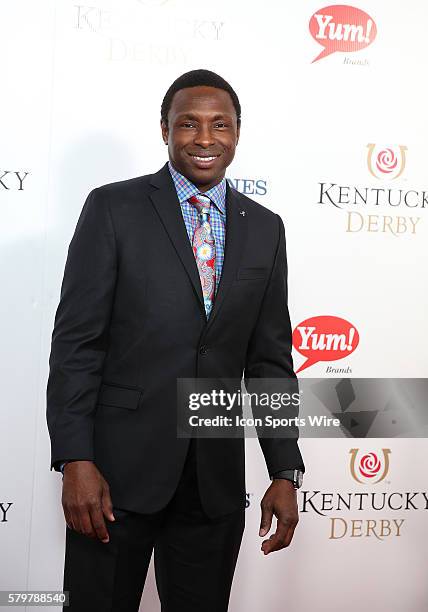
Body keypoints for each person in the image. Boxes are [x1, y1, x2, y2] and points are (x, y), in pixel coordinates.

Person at [46, 68, 305, 612]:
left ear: (238, 133)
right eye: (188, 124)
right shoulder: (113, 208)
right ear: (164, 129)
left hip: (212, 487)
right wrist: (75, 459)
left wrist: (284, 469)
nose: (205, 138)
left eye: (220, 125)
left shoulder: (265, 227)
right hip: (115, 479)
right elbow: (77, 344)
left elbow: (270, 363)